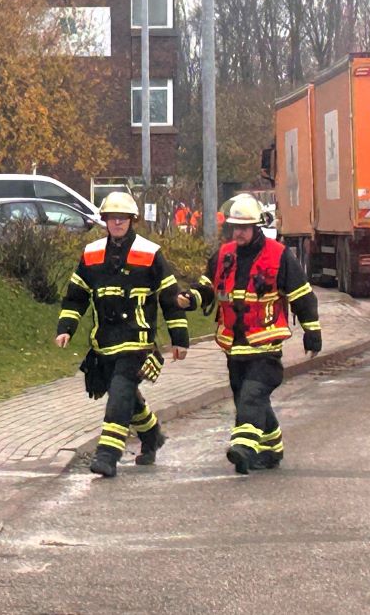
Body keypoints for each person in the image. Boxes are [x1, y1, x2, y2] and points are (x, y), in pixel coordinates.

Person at [182, 194, 321, 475]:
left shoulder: (279, 255)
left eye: (244, 227)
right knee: (247, 398)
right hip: (234, 347)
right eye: (235, 227)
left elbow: (302, 294)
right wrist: (190, 298)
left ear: (257, 227)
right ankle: (272, 449)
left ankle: (243, 448)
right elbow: (208, 287)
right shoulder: (224, 255)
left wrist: (312, 330)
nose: (238, 232)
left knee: (252, 397)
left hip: (266, 347)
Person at [55, 191, 190, 478]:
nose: (116, 223)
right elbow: (76, 296)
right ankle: (152, 435)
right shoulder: (91, 254)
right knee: (127, 395)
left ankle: (108, 455)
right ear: (104, 221)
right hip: (104, 342)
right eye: (111, 218)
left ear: (132, 221)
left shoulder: (150, 252)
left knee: (119, 394)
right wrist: (66, 328)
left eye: (122, 218)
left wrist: (180, 339)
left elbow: (170, 297)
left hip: (138, 341)